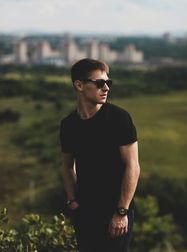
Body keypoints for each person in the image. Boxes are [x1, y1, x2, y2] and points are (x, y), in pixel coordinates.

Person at [59, 58, 140, 252]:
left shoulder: (119, 118)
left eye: (108, 83)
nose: (106, 88)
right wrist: (73, 202)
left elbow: (133, 166)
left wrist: (121, 212)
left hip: (116, 209)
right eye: (99, 83)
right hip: (85, 210)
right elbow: (68, 166)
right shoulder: (69, 125)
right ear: (79, 85)